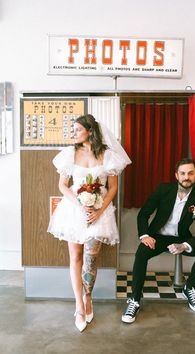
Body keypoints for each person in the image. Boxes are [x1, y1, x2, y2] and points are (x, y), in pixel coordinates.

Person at [48, 114, 131, 332]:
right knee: (75, 257)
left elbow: (112, 187)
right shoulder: (69, 154)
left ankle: (88, 296)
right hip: (75, 211)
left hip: (99, 212)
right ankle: (79, 305)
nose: (73, 133)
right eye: (73, 130)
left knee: (91, 261)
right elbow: (63, 186)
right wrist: (80, 204)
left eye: (77, 129)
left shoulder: (108, 155)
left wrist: (99, 210)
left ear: (90, 131)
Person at [121, 158, 195, 323]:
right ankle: (134, 300)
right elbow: (144, 213)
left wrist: (185, 245)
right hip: (158, 237)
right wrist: (145, 235)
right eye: (183, 173)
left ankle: (189, 287)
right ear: (176, 175)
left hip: (181, 238)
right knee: (141, 253)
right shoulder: (164, 189)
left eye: (190, 173)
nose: (187, 177)